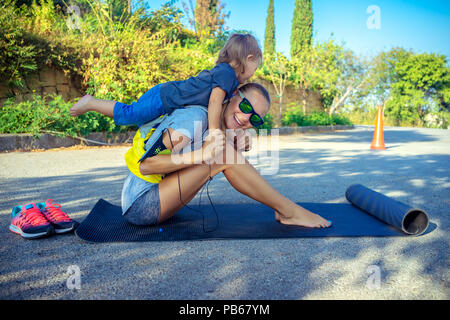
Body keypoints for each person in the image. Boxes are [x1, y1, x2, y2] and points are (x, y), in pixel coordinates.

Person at [121, 82, 332, 229]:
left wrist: (233, 144)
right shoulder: (194, 117)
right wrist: (205, 154)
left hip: (160, 201)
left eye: (255, 119)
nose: (246, 118)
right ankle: (289, 211)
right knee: (222, 155)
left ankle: (285, 210)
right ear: (232, 96)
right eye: (245, 106)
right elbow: (146, 166)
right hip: (141, 205)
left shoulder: (214, 128)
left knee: (223, 153)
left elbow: (207, 159)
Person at [69, 34, 263, 144]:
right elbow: (214, 102)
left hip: (167, 98)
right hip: (164, 97)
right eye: (255, 68)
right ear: (249, 58)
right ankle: (91, 102)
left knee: (139, 120)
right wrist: (214, 131)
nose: (253, 74)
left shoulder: (227, 77)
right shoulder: (227, 73)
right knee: (131, 114)